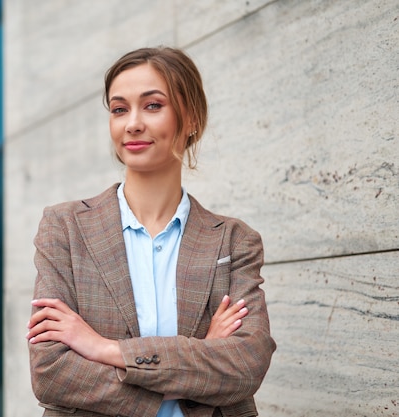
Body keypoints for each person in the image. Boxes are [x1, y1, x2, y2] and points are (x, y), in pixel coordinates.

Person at [26, 46, 276, 417]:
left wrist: (105, 349)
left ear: (190, 118)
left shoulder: (234, 241)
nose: (132, 124)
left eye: (153, 105)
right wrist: (195, 365)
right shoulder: (65, 228)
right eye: (119, 109)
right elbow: (51, 372)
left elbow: (245, 365)